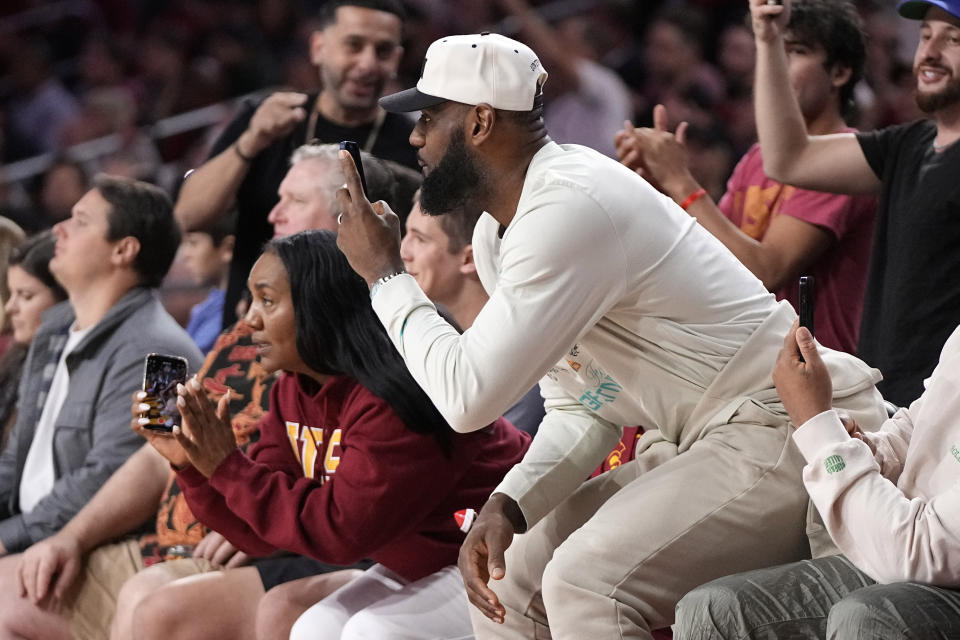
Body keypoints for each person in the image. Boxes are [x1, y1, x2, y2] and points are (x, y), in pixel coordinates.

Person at [334, 32, 887, 638]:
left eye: (430, 116)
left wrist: (386, 276)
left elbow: (467, 401)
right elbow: (583, 404)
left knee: (586, 582)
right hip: (705, 434)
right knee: (507, 570)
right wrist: (511, 501)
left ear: (481, 122)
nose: (415, 136)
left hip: (783, 418)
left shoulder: (569, 206)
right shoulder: (501, 232)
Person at [8, 149, 417, 640]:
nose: (273, 212)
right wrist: (187, 466)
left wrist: (266, 525)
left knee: (154, 603)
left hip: (288, 551)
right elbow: (177, 455)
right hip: (188, 536)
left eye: (295, 199)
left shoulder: (375, 355)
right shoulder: (274, 364)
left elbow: (331, 517)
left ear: (351, 222)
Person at [127, 230, 528, 640]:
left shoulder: (395, 394)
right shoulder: (293, 390)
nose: (249, 319)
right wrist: (191, 464)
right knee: (314, 627)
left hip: (511, 548)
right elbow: (260, 534)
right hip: (434, 556)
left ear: (319, 305)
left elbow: (341, 533)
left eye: (267, 300)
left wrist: (227, 466)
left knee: (371, 633)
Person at [0, 175, 202, 636]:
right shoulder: (53, 330)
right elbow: (16, 459)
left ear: (123, 250)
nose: (59, 230)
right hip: (38, 536)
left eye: (80, 221)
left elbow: (116, 475)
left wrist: (6, 538)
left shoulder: (162, 354)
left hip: (106, 545)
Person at [615, 0, 876, 355]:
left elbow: (765, 271)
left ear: (839, 73)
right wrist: (660, 189)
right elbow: (713, 258)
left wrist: (682, 182)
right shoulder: (757, 157)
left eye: (796, 52)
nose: (777, 67)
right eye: (771, 52)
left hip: (817, 378)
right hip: (750, 366)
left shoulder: (847, 158)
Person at [674, 321, 960, 639]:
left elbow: (918, 552)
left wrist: (816, 425)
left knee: (867, 619)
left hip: (928, 558)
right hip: (909, 538)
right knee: (714, 610)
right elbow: (921, 422)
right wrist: (869, 449)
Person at [749, 0, 960, 406]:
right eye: (926, 36)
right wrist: (769, 40)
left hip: (945, 413)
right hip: (890, 403)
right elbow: (787, 158)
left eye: (952, 40)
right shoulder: (906, 145)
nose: (930, 53)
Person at [174, 0, 416, 326]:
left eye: (383, 51)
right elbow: (189, 215)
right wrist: (250, 141)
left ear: (397, 60)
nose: (367, 63)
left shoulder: (412, 145)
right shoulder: (269, 120)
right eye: (353, 45)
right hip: (249, 334)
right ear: (318, 48)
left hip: (352, 343)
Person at [401, 194, 544, 435]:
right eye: (406, 234)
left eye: (420, 239)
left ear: (469, 258)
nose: (403, 251)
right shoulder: (443, 333)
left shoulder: (517, 361)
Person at [0, 232, 67, 451]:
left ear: (64, 301)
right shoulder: (17, 357)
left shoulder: (64, 366)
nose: (11, 307)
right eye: (11, 294)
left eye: (26, 296)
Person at [180, 214, 235, 353]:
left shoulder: (232, 314)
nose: (185, 254)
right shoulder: (208, 306)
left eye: (193, 243)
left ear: (228, 248)